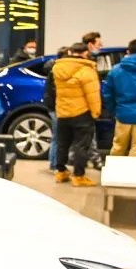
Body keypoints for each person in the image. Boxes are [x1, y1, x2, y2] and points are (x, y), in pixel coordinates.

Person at [52, 42, 101, 187]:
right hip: (81, 113)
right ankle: (78, 176)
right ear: (85, 53)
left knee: (62, 144)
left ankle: (61, 172)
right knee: (81, 146)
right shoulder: (86, 70)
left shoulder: (57, 68)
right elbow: (93, 95)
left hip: (62, 112)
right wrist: (96, 113)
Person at [43, 46, 70, 172]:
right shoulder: (57, 71)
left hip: (53, 106)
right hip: (56, 107)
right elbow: (57, 91)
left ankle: (53, 163)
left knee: (57, 136)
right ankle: (54, 164)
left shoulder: (54, 69)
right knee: (58, 137)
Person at [82, 31, 104, 169]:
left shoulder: (92, 62)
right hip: (84, 106)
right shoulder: (85, 64)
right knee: (89, 135)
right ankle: (95, 160)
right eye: (99, 44)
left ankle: (75, 159)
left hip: (85, 105)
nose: (101, 47)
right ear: (90, 44)